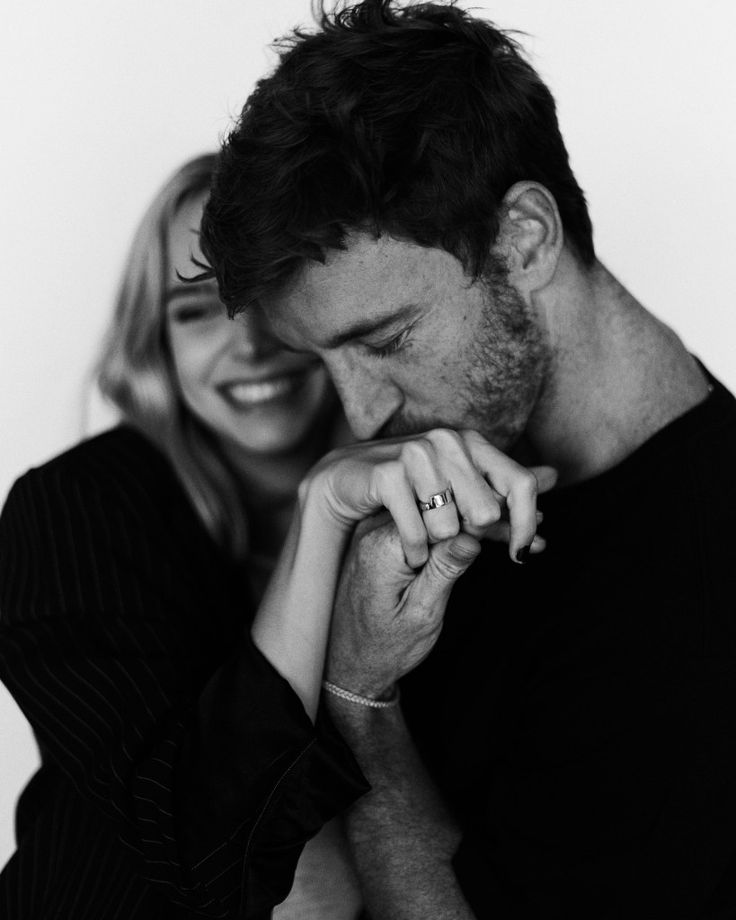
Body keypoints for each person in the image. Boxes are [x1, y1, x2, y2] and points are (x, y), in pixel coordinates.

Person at [197, 1, 736, 917]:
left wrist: (361, 696)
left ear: (522, 239)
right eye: (322, 360)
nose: (360, 412)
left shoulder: (699, 586)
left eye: (387, 338)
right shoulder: (449, 468)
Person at [0, 151, 550, 919]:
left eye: (272, 301)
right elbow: (196, 845)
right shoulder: (74, 512)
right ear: (153, 343)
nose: (250, 345)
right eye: (195, 311)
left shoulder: (434, 486)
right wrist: (321, 513)